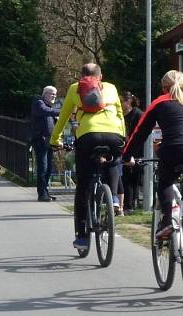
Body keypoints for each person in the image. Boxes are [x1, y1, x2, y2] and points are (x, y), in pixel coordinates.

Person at [122, 70, 183, 245]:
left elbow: (139, 133)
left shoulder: (159, 102)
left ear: (164, 89)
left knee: (165, 182)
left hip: (173, 149)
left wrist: (127, 155)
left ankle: (167, 220)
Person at [50, 63, 125, 249]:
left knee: (83, 184)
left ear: (81, 77)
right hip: (114, 134)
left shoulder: (75, 88)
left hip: (88, 136)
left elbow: (64, 116)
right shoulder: (111, 88)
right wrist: (123, 139)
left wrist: (55, 139)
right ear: (101, 76)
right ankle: (114, 198)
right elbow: (120, 114)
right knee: (113, 161)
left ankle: (82, 236)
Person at [31, 86, 60, 202]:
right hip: (40, 140)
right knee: (43, 167)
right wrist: (62, 112)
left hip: (49, 141)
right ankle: (42, 194)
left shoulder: (48, 106)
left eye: (55, 95)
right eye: (52, 94)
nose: (54, 96)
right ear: (45, 94)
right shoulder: (39, 103)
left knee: (48, 169)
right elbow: (45, 112)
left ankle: (45, 192)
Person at [121, 92, 143, 213]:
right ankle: (129, 204)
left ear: (128, 102)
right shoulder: (124, 115)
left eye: (122, 101)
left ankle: (131, 204)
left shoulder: (137, 114)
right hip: (126, 147)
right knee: (127, 176)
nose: (120, 104)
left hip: (136, 148)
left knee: (133, 177)